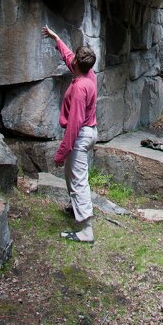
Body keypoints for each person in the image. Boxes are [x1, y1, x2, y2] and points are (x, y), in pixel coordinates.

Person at [42, 25, 98, 243]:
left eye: (74, 58)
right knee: (72, 176)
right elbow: (69, 58)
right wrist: (56, 38)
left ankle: (86, 230)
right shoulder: (89, 75)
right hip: (90, 131)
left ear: (77, 63)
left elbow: (73, 126)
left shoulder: (78, 89)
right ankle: (77, 209)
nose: (71, 59)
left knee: (78, 181)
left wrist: (61, 153)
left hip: (80, 135)